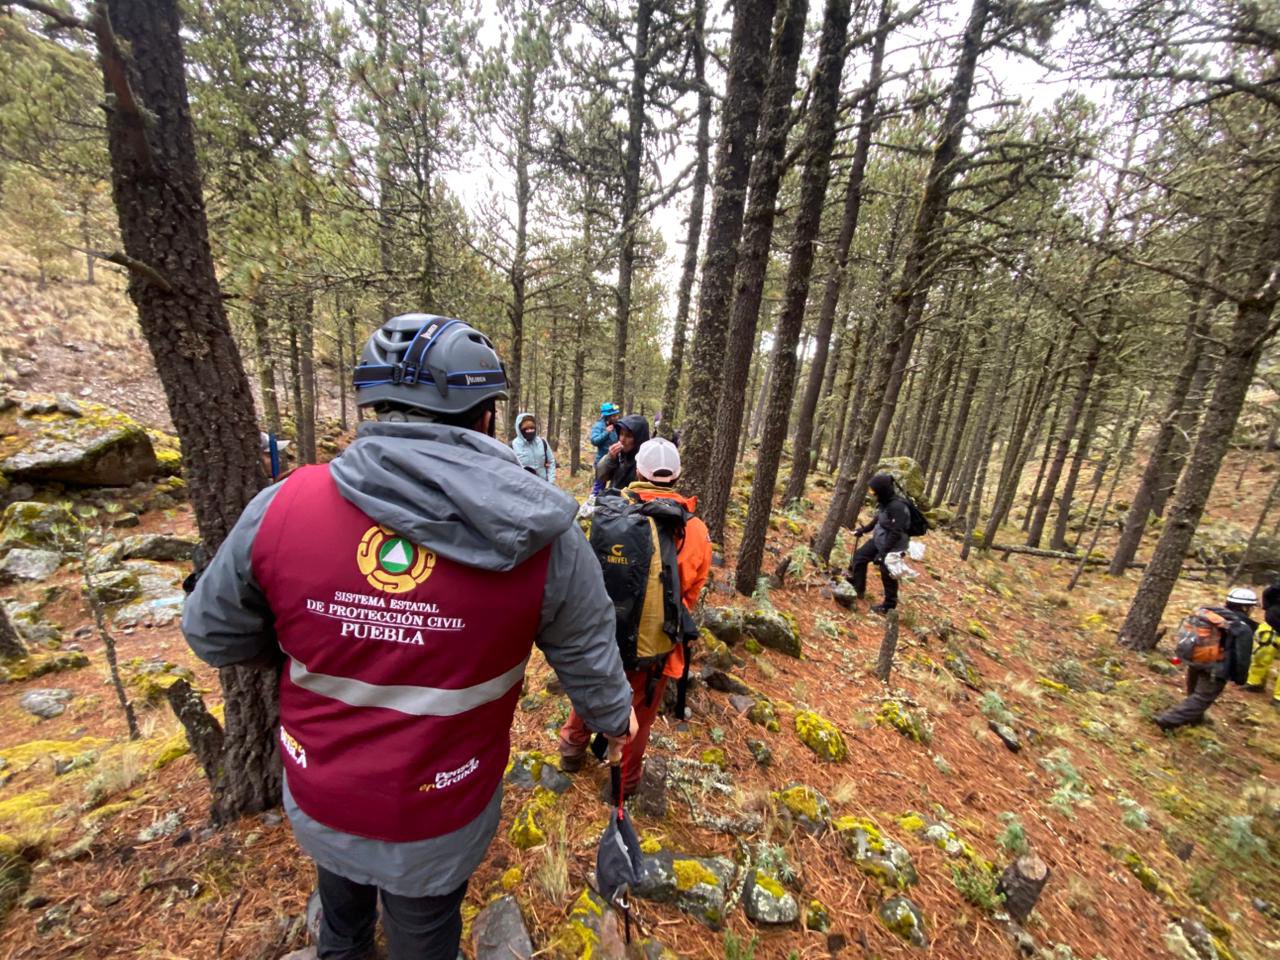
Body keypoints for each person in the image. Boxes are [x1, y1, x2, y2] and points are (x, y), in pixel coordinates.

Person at [181, 314, 636, 960]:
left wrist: (304, 637)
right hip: (441, 810)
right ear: (485, 419)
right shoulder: (544, 536)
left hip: (321, 790)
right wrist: (616, 719)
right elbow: (591, 662)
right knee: (425, 937)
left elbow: (210, 632)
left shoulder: (283, 506)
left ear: (375, 411)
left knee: (341, 926)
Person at [560, 437, 711, 797]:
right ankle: (623, 785)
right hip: (654, 644)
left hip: (604, 632)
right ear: (676, 476)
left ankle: (571, 749)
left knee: (591, 689)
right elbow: (690, 593)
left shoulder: (610, 510)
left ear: (638, 471)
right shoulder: (696, 530)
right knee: (639, 718)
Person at [1156, 587, 1259, 730]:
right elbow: (1242, 657)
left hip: (1196, 659)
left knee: (1194, 693)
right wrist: (1240, 678)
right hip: (1216, 668)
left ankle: (1195, 721)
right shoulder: (1242, 627)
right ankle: (1168, 720)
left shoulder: (1210, 615)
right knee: (1202, 698)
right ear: (1245, 607)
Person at [847, 473, 910, 614]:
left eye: (874, 490)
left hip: (893, 547)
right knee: (859, 557)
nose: (872, 493)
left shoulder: (899, 507)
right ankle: (858, 588)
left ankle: (888, 606)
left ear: (883, 490)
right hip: (879, 540)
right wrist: (863, 530)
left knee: (887, 574)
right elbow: (879, 518)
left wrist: (883, 554)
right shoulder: (885, 501)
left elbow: (896, 532)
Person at [1244, 581, 1280, 707]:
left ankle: (1278, 698)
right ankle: (1255, 683)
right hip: (1273, 626)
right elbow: (1269, 592)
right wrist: (1269, 609)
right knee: (1261, 656)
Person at [595, 414, 650, 491]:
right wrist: (610, 458)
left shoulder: (646, 461)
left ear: (638, 438)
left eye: (628, 436)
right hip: (613, 499)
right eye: (621, 434)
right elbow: (601, 476)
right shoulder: (619, 455)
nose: (622, 439)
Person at [511, 411, 556, 483]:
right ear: (519, 429)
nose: (530, 431)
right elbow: (510, 469)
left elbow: (551, 462)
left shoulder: (542, 442)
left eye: (532, 428)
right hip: (524, 486)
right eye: (526, 429)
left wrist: (551, 482)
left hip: (544, 485)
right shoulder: (513, 445)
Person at [589, 403, 621, 495]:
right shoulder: (598, 426)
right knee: (599, 487)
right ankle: (593, 503)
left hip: (615, 461)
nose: (617, 417)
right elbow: (594, 441)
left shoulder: (616, 426)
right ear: (608, 416)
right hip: (602, 462)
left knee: (615, 485)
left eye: (617, 415)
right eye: (614, 416)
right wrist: (606, 432)